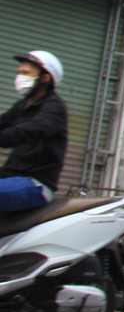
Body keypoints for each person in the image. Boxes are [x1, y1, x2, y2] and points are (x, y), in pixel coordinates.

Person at [0, 51, 67, 212]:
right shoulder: (22, 106)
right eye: (19, 73)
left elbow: (28, 131)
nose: (19, 78)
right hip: (10, 177)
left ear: (45, 78)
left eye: (26, 73)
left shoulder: (53, 108)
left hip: (35, 183)